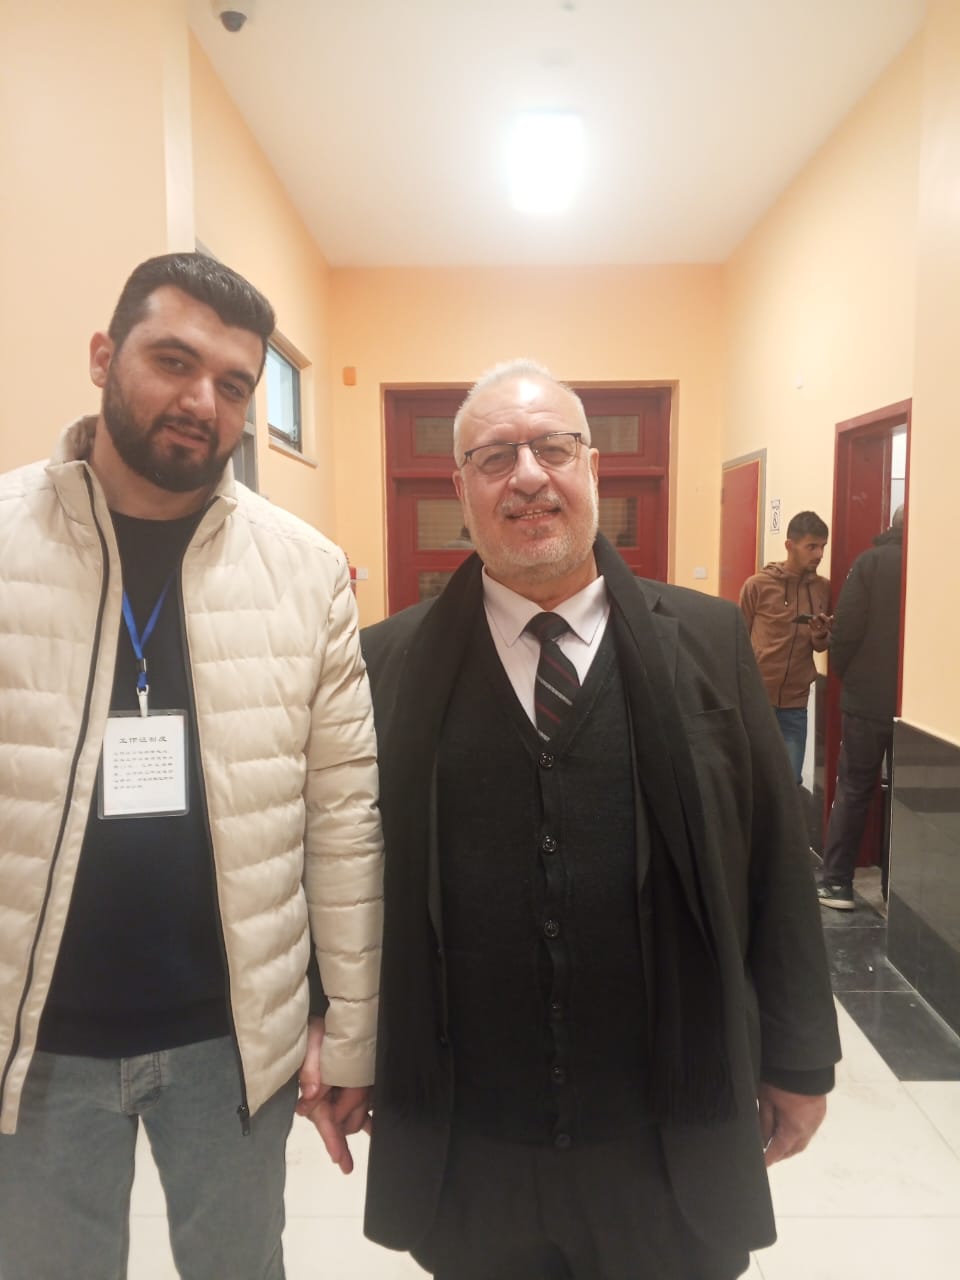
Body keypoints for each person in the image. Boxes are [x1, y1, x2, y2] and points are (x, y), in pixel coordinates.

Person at [360, 360, 841, 1280]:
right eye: (494, 456)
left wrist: (800, 1059)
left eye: (553, 448)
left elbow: (777, 864)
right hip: (473, 1148)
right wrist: (338, 1041)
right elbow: (347, 877)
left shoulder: (707, 641)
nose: (527, 476)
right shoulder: (387, 664)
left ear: (592, 469)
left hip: (664, 1137)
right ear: (460, 490)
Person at [0, 253, 383, 1280]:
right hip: (36, 1047)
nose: (202, 401)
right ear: (102, 356)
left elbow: (343, 821)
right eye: (173, 360)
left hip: (233, 1046)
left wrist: (348, 1032)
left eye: (234, 383)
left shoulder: (305, 572)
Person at [817, 507, 905, 911]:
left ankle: (837, 884)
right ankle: (896, 891)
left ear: (891, 524)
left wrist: (844, 672)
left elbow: (848, 627)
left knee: (853, 790)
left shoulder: (870, 563)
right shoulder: (932, 564)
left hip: (866, 701)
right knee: (903, 799)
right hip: (913, 707)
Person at [739, 511, 832, 784]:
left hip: (796, 703)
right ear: (790, 545)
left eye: (822, 546)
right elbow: (738, 638)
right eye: (811, 546)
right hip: (758, 699)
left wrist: (820, 634)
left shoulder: (823, 588)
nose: (819, 554)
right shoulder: (757, 586)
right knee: (755, 780)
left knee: (790, 782)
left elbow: (820, 646)